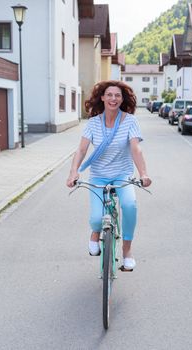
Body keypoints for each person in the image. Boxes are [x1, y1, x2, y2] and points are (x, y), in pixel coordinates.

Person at [66, 80, 151, 270]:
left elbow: (136, 149)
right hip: (98, 176)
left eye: (118, 95)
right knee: (96, 219)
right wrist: (73, 173)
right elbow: (81, 150)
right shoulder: (93, 123)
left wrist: (143, 173)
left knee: (129, 204)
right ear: (103, 98)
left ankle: (127, 250)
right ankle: (95, 233)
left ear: (122, 99)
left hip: (122, 174)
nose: (113, 98)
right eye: (109, 95)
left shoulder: (130, 120)